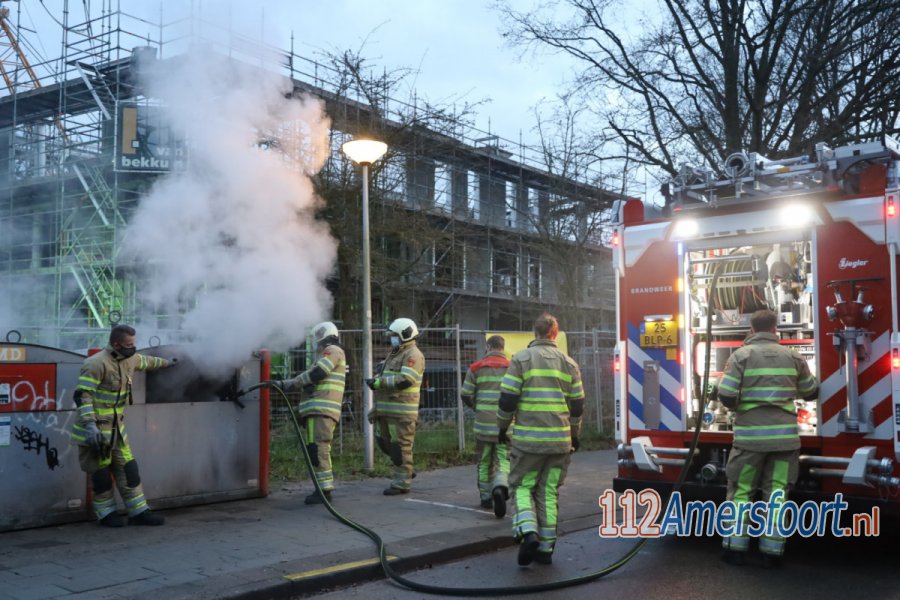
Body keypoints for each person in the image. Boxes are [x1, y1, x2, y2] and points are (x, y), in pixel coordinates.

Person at [717, 309, 818, 569]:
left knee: (741, 492)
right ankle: (771, 553)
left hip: (750, 442)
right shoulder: (793, 356)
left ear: (751, 330)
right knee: (776, 494)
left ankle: (735, 549)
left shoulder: (741, 355)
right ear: (775, 329)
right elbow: (810, 392)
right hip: (784, 443)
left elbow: (726, 395)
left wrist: (741, 406)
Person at [497, 313, 584, 566]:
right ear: (554, 333)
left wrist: (502, 428)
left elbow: (508, 400)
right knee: (547, 492)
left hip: (528, 442)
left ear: (535, 333)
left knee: (522, 487)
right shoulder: (569, 363)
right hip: (560, 443)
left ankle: (527, 532)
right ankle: (545, 549)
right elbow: (577, 406)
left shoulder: (521, 359)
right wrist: (574, 435)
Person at [70, 324, 176, 527]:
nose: (133, 348)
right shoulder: (95, 363)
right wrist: (91, 426)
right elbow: (82, 395)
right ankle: (106, 514)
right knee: (101, 475)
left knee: (129, 469)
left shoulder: (130, 359)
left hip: (117, 431)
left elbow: (147, 362)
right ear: (116, 344)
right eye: (129, 344)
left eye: (134, 343)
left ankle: (138, 512)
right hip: (95, 432)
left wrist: (167, 363)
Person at [277, 321, 346, 505]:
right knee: (314, 449)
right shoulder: (326, 354)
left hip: (322, 409)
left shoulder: (332, 350)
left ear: (323, 336)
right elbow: (314, 377)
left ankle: (324, 490)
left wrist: (290, 383)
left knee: (319, 448)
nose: (315, 342)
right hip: (316, 409)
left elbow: (318, 373)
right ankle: (322, 488)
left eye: (316, 338)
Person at [365, 317, 425, 495]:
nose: (392, 338)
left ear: (405, 335)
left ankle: (402, 483)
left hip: (402, 412)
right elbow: (389, 374)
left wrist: (380, 382)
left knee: (400, 448)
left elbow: (406, 380)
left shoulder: (413, 355)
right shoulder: (396, 353)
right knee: (384, 444)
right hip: (386, 409)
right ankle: (407, 469)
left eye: (395, 335)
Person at [461, 335, 511, 517]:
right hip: (505, 426)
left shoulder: (476, 367)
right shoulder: (512, 367)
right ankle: (500, 486)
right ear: (502, 348)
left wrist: (476, 407)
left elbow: (465, 394)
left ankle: (485, 497)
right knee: (503, 460)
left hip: (483, 424)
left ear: (489, 347)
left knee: (484, 461)